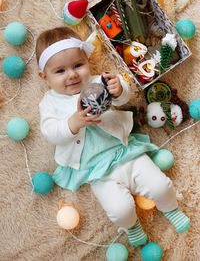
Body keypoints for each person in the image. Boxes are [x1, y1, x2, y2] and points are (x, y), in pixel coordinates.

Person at [36, 26, 190, 247]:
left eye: (78, 65)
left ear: (87, 61)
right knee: (120, 209)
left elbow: (121, 100)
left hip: (125, 152)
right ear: (45, 77)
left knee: (160, 186)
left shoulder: (98, 82)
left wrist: (119, 90)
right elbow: (50, 132)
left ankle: (171, 208)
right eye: (60, 71)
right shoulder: (50, 103)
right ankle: (131, 226)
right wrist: (73, 124)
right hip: (96, 169)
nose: (71, 75)